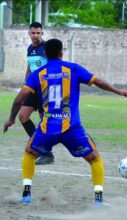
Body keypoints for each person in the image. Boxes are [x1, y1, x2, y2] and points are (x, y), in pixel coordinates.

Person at [3, 39, 127, 206]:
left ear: (45, 54)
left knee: (29, 153)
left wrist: (12, 119)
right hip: (72, 128)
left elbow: (19, 98)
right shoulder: (73, 69)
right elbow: (98, 81)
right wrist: (118, 91)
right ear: (61, 53)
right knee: (94, 159)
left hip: (48, 128)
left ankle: (26, 194)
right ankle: (98, 199)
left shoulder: (38, 74)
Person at [19, 21, 55, 165]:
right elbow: (29, 68)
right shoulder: (29, 48)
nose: (35, 35)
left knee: (44, 120)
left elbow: (55, 66)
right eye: (33, 33)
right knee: (23, 117)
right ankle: (40, 147)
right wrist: (25, 85)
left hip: (45, 90)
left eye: (38, 33)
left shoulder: (46, 48)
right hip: (32, 89)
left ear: (42, 33)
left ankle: (47, 154)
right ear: (29, 33)